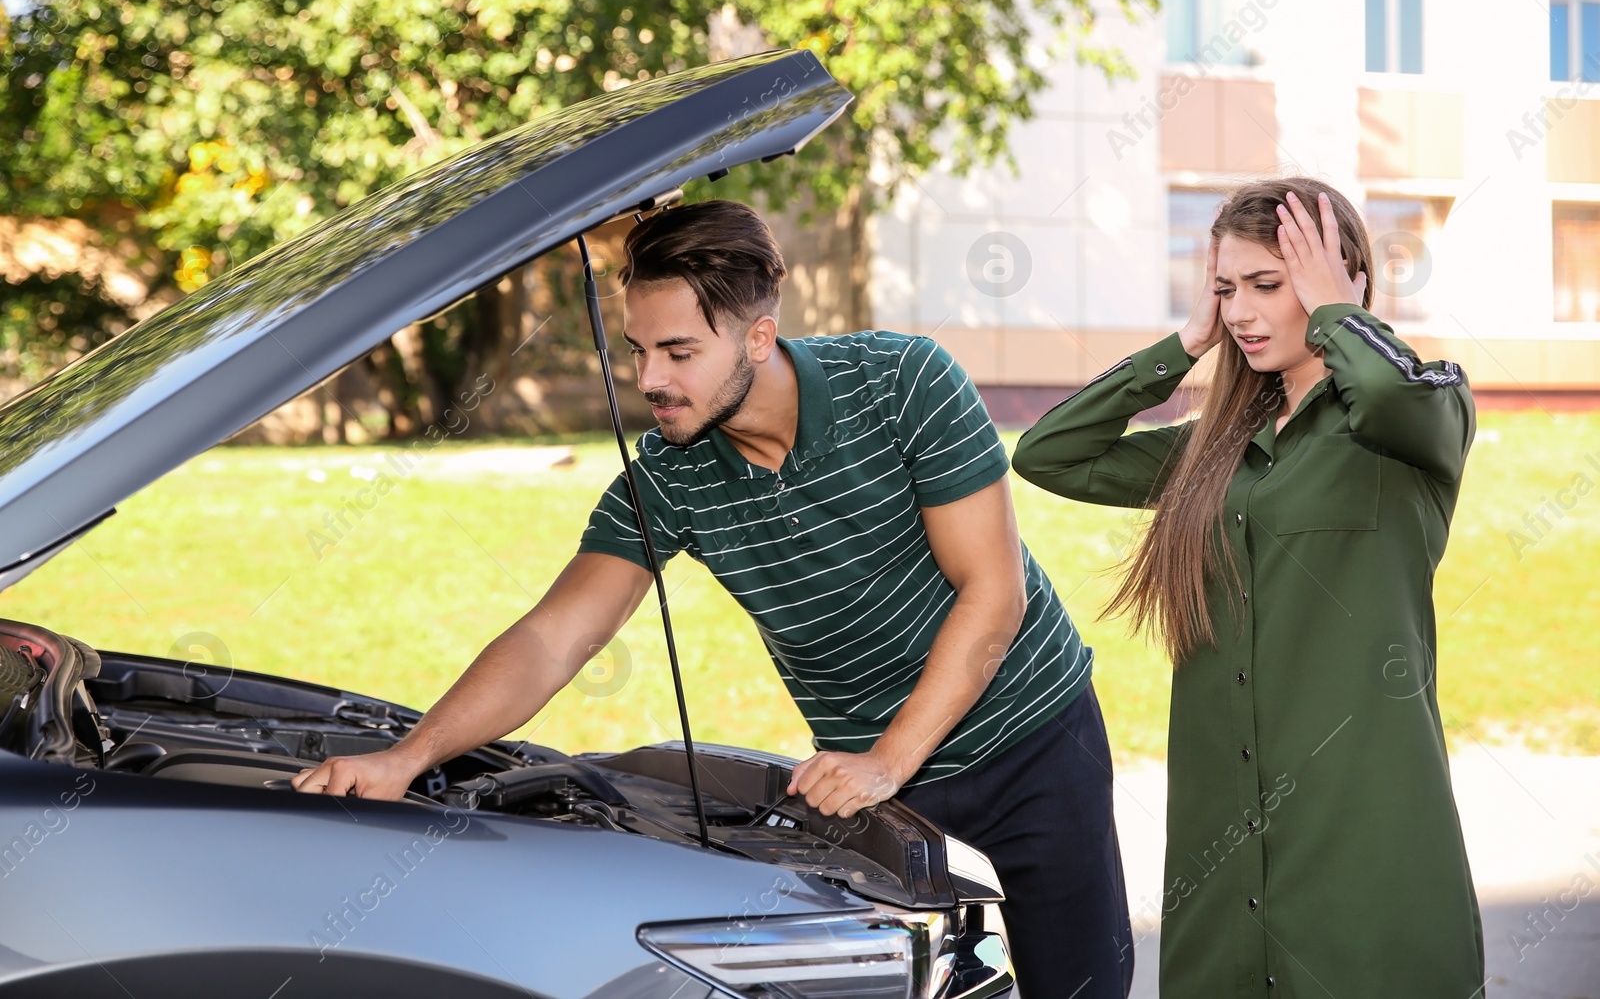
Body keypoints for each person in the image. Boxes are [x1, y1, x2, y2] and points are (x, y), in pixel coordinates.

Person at [293, 199, 1135, 998]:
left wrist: (889, 758)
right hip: (869, 777)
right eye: (636, 350)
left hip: (1031, 741)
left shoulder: (904, 382)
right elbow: (555, 637)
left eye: (679, 352)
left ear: (758, 336)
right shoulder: (670, 473)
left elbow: (992, 592)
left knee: (1081, 983)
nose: (650, 379)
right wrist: (409, 755)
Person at [1011, 178, 1484, 997]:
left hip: (1363, 840)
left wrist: (1339, 311)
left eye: (1270, 284)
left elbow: (1381, 389)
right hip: (1222, 852)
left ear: (1350, 283)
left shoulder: (1418, 415)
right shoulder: (1217, 446)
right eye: (1226, 288)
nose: (1240, 311)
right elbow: (1051, 453)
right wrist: (1185, 343)